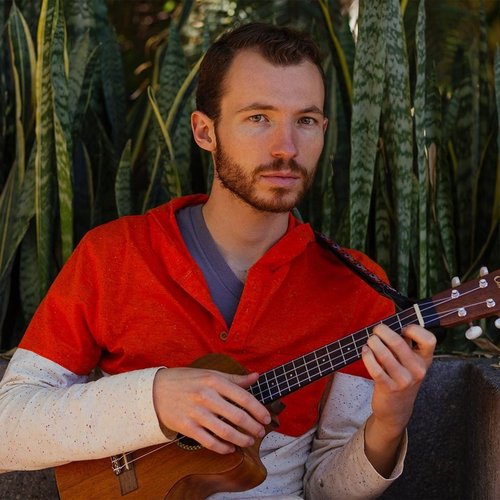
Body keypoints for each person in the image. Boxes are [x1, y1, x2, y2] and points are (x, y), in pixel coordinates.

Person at [0, 22, 435, 498]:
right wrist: (155, 398)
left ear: (324, 130)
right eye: (259, 117)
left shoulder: (358, 287)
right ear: (204, 131)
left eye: (306, 120)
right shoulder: (114, 254)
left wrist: (389, 423)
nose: (286, 147)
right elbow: (8, 432)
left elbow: (328, 489)